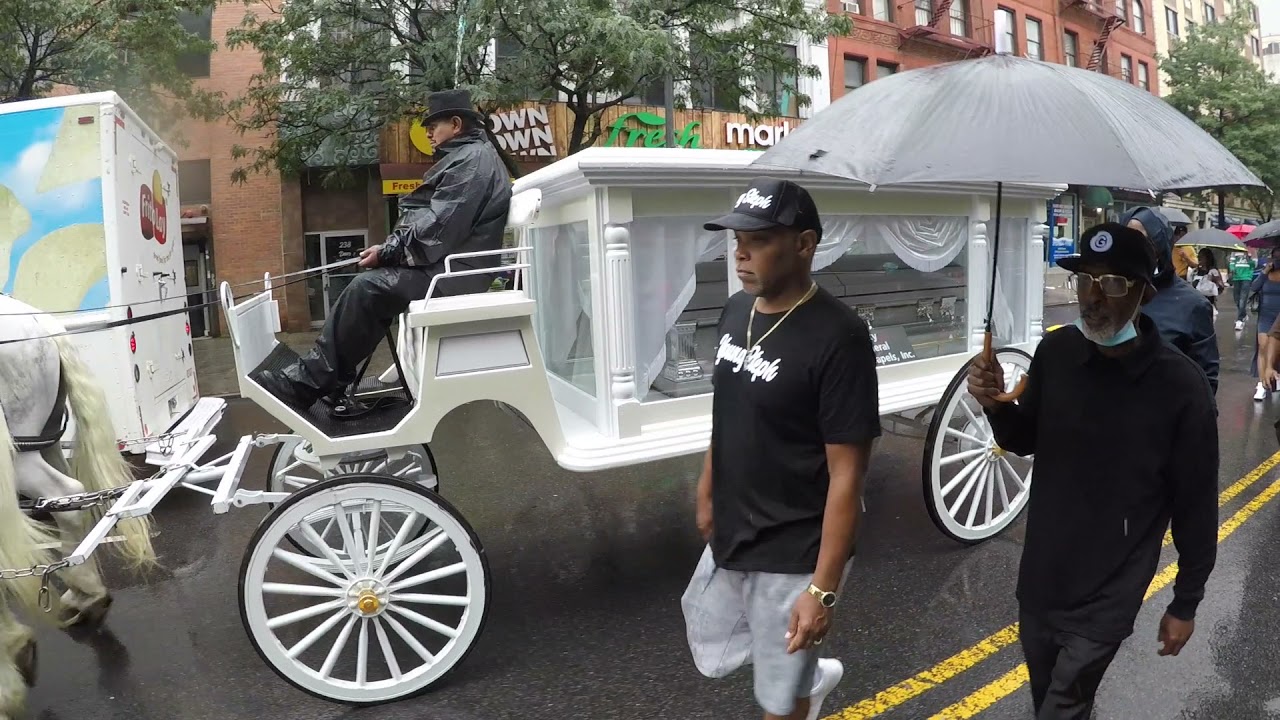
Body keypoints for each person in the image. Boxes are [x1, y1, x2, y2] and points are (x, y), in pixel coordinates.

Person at [968, 222, 1218, 720]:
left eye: (1115, 284)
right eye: (1085, 280)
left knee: (1061, 707)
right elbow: (1023, 439)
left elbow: (1195, 505)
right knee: (1053, 701)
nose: (1095, 297)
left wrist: (1185, 602)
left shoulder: (1180, 387)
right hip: (1041, 578)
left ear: (1144, 293)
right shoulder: (1055, 354)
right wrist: (994, 403)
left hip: (1109, 590)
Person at [679, 177, 880, 720]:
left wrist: (823, 591)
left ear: (804, 244)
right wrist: (707, 489)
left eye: (761, 239)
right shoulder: (734, 311)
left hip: (795, 545)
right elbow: (729, 413)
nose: (741, 252)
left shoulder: (838, 337)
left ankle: (798, 685)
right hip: (736, 525)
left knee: (777, 700)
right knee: (710, 636)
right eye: (736, 238)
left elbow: (847, 476)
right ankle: (807, 675)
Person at [253, 88, 513, 411]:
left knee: (367, 288)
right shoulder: (470, 158)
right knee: (373, 286)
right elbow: (433, 224)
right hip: (451, 268)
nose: (428, 132)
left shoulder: (473, 162)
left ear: (456, 124)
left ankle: (309, 383)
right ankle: (333, 379)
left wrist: (387, 251)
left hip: (455, 275)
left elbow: (436, 229)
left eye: (434, 125)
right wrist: (386, 250)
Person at [1120, 207, 1219, 395]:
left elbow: (1206, 380)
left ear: (1158, 245)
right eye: (1125, 240)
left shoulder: (1193, 305)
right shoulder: (1108, 292)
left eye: (1139, 240)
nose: (1130, 248)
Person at [1250, 246, 1280, 401]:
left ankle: (1274, 377)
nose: (1277, 260)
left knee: (1275, 350)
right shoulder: (1266, 271)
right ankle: (1262, 384)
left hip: (1279, 317)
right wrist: (1264, 272)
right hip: (1265, 315)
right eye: (1274, 257)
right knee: (1263, 346)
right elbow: (1254, 287)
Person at [1189, 248, 1225, 313]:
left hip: (1208, 304)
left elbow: (1221, 287)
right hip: (1195, 304)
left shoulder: (1213, 272)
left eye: (1201, 257)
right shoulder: (1195, 271)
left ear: (1207, 258)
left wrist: (1212, 285)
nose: (1199, 259)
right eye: (1198, 256)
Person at [1228, 249, 1255, 331]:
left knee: (1242, 298)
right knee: (1236, 298)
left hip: (1246, 277)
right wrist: (1232, 269)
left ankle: (1239, 320)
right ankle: (1243, 314)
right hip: (1236, 277)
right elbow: (1232, 262)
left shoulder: (1251, 250)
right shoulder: (1235, 250)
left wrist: (1249, 257)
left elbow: (1254, 265)